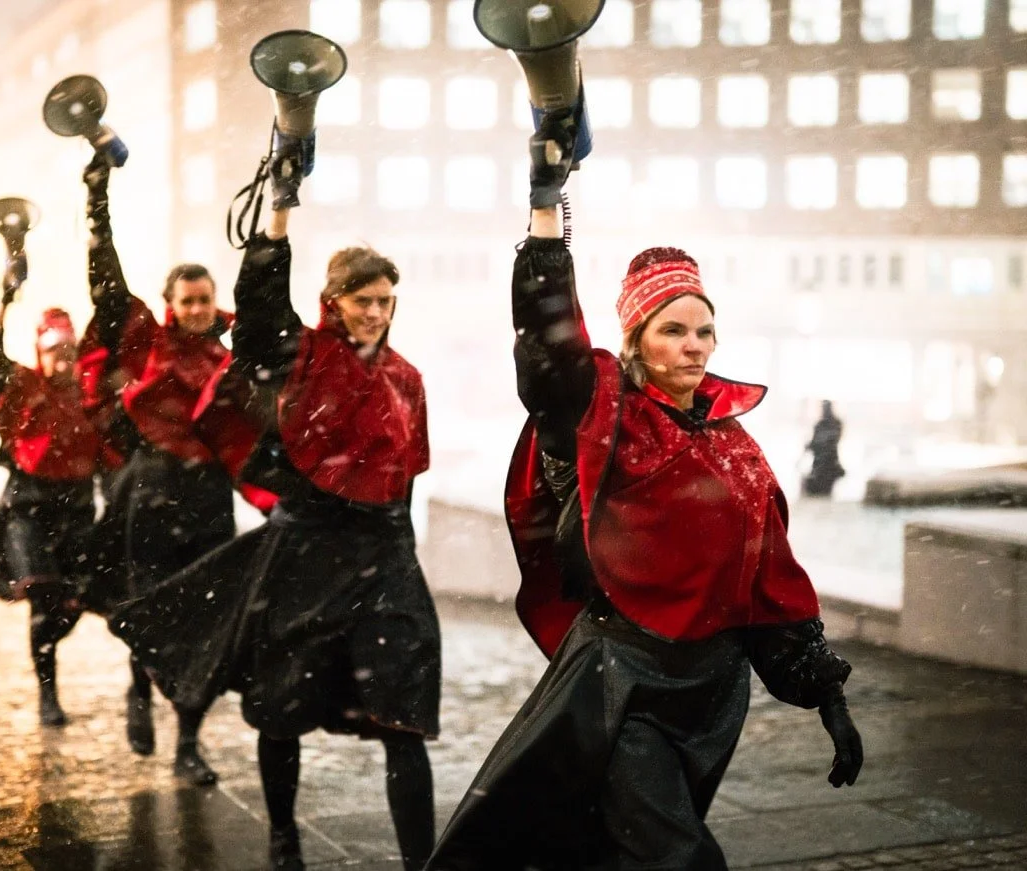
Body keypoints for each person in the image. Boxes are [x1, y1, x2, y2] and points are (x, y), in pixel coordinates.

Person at [425, 107, 863, 870]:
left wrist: (827, 693)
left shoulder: (739, 448)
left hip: (712, 695)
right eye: (672, 330)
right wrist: (545, 217)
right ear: (636, 340)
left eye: (703, 330)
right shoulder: (606, 416)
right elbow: (549, 344)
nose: (693, 344)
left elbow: (772, 579)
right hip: (618, 682)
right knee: (679, 858)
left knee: (628, 855)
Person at [109, 133, 440, 871]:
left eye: (387, 301)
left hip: (384, 555)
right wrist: (282, 207)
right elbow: (259, 304)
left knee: (402, 712)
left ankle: (422, 860)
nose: (378, 313)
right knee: (282, 702)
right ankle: (284, 840)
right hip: (306, 549)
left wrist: (404, 566)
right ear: (335, 303)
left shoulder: (409, 377)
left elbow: (407, 476)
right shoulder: (302, 356)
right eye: (364, 301)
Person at [80, 153, 235, 784]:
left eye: (206, 299)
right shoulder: (148, 342)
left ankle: (189, 744)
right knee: (147, 608)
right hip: (151, 493)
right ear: (171, 303)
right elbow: (108, 287)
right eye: (187, 300)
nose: (198, 309)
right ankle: (139, 690)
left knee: (204, 622)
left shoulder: (230, 353)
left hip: (209, 500)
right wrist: (98, 208)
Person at [0, 302, 100, 727]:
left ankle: (49, 649)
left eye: (68, 350)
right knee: (44, 599)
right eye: (53, 351)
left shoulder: (90, 393)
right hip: (28, 511)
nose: (62, 359)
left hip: (77, 511)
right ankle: (48, 691)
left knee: (76, 598)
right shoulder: (22, 387)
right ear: (40, 352)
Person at [803, 399, 845, 497]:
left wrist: (811, 446)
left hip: (825, 464)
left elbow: (827, 442)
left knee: (823, 493)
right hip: (824, 464)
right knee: (823, 493)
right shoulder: (831, 423)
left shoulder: (827, 424)